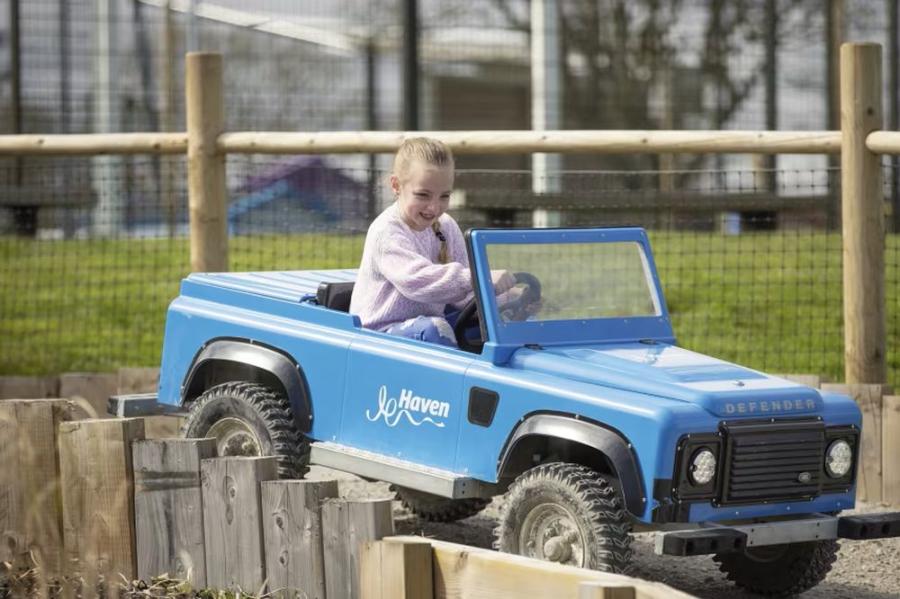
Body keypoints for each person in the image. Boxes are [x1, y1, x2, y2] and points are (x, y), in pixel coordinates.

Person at [349, 137, 516, 347]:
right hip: (379, 335)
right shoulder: (387, 232)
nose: (434, 208)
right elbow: (417, 281)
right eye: (423, 195)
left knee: (507, 322)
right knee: (436, 329)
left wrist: (504, 300)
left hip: (426, 324)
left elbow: (462, 297)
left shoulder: (446, 226)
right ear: (396, 185)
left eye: (444, 196)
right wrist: (479, 278)